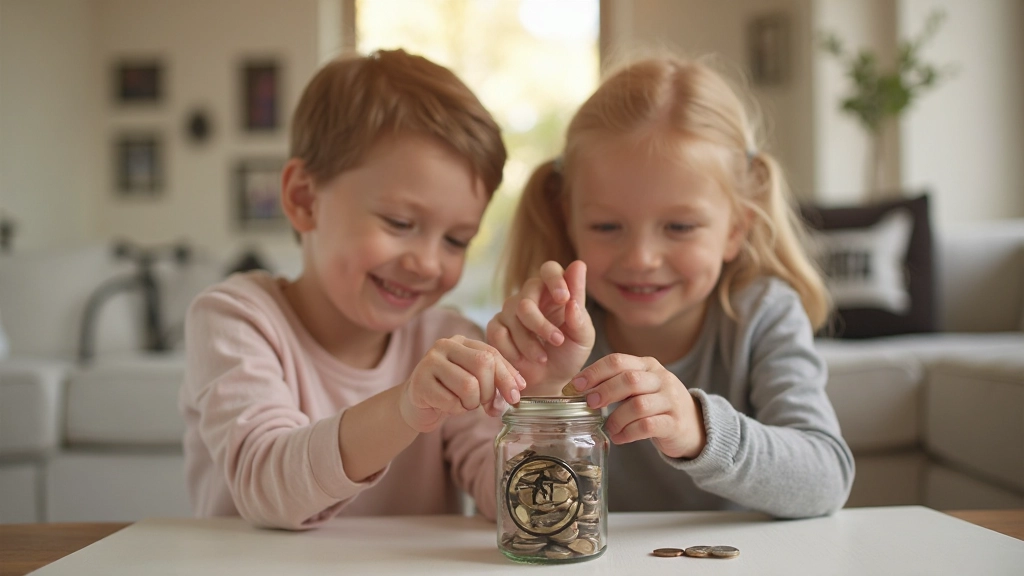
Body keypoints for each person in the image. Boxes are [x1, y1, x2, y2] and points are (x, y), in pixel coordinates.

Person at [487, 55, 854, 519]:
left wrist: (700, 431)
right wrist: (546, 392)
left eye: (679, 226)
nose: (641, 258)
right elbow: (511, 507)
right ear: (568, 219)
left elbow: (826, 479)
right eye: (605, 226)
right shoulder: (548, 328)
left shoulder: (764, 313)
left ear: (736, 229)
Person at [180, 49, 527, 530]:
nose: (427, 262)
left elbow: (513, 502)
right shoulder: (236, 320)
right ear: (304, 200)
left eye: (456, 240)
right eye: (400, 222)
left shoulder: (449, 339)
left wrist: (544, 392)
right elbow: (266, 487)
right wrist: (405, 409)